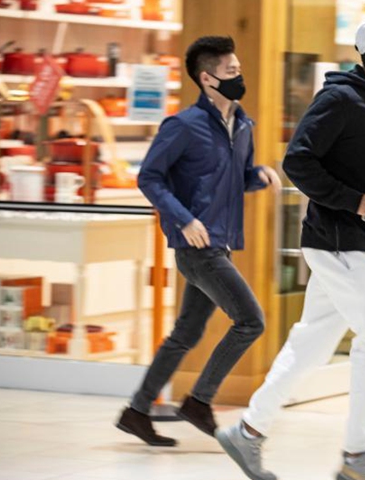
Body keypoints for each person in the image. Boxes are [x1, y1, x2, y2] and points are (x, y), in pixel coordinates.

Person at [216, 17, 365, 480]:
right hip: (335, 240)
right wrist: (354, 201)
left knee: (311, 346)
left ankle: (249, 431)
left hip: (364, 241)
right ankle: (355, 456)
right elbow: (298, 160)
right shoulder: (339, 99)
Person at [115, 36, 282, 447]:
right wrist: (183, 218)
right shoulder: (183, 126)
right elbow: (149, 177)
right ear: (207, 79)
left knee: (186, 334)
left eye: (239, 70)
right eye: (230, 72)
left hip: (221, 241)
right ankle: (198, 402)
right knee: (250, 321)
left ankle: (136, 412)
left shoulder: (243, 125)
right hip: (196, 246)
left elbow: (236, 178)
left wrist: (258, 175)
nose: (238, 78)